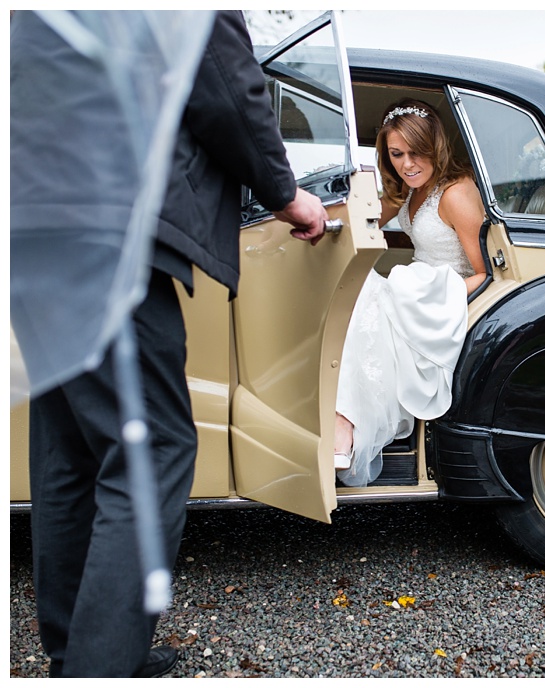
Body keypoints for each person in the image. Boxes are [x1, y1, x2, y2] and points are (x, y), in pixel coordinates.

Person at [11, 10, 328, 678]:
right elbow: (225, 86)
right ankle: (99, 667)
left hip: (32, 224)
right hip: (112, 227)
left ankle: (80, 650)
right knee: (154, 449)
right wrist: (284, 192)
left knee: (69, 453)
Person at [333, 99, 487, 487]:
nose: (408, 163)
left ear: (435, 146)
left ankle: (346, 426)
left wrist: (439, 300)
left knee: (366, 291)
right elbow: (366, 216)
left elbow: (485, 272)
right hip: (417, 286)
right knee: (357, 288)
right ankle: (339, 419)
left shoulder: (454, 193)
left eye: (416, 152)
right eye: (397, 154)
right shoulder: (412, 186)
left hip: (442, 291)